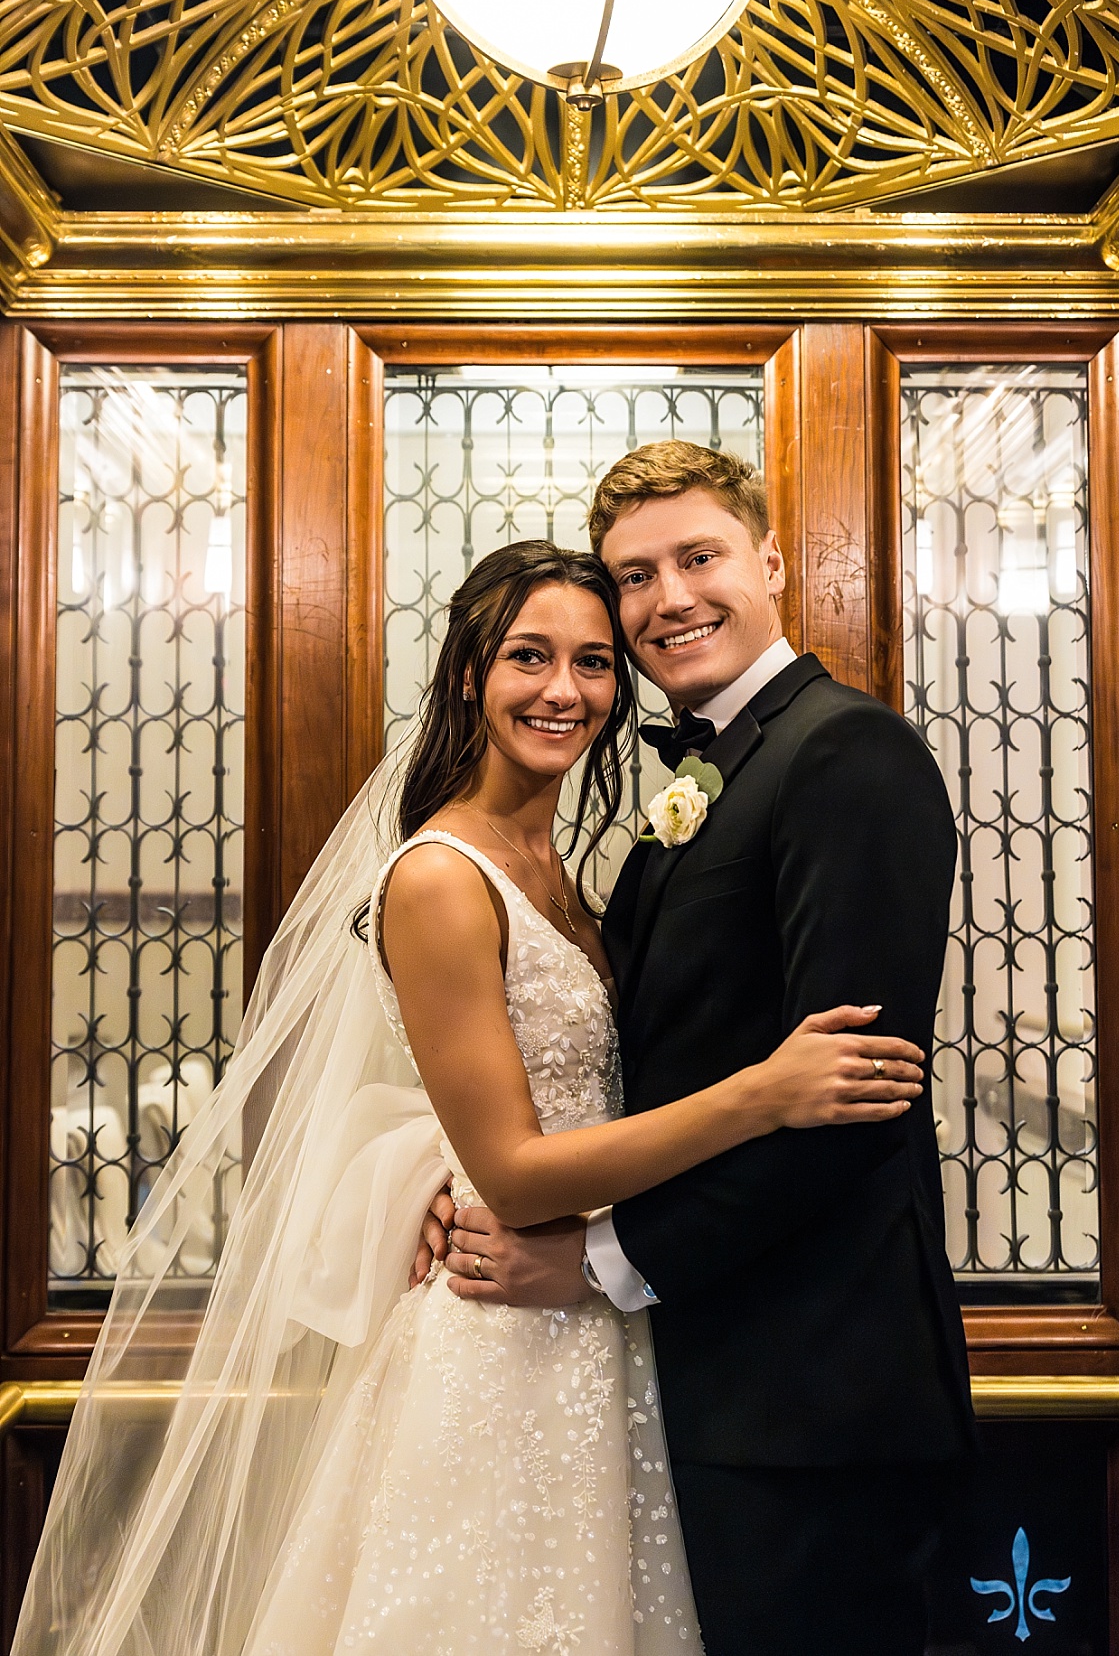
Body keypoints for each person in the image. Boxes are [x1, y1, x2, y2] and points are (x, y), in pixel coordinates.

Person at [13, 540, 926, 1656]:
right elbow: (513, 1167)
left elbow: (508, 1097)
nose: (565, 689)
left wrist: (423, 1171)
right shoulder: (442, 876)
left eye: (594, 662)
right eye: (529, 656)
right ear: (466, 674)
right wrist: (763, 1092)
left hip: (607, 1327)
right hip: (505, 1355)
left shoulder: (560, 866)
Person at [433, 446, 978, 1656]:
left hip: (812, 1395)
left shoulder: (846, 753)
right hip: (704, 1377)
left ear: (771, 561)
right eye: (636, 577)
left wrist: (599, 1259)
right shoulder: (709, 773)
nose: (668, 599)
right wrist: (473, 1171)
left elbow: (850, 1105)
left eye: (698, 558)